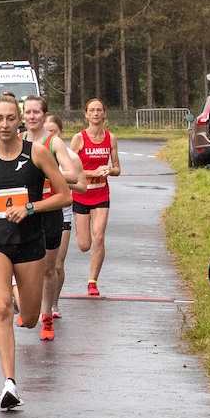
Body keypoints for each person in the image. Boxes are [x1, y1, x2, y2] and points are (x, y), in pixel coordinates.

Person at [0, 94, 71, 410]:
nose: (3, 124)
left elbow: (65, 196)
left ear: (20, 120)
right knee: (1, 309)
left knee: (27, 319)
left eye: (10, 118)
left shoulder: (38, 153)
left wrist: (30, 207)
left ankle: (18, 291)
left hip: (30, 243)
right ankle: (9, 384)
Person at [22, 96, 85, 340]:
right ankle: (26, 305)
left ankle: (46, 316)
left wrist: (47, 170)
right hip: (25, 210)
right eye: (27, 112)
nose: (31, 116)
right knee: (22, 265)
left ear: (44, 115)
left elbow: (70, 175)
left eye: (36, 112)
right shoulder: (18, 141)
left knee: (49, 268)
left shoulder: (53, 142)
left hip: (50, 209)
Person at [69, 98, 119, 297]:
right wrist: (93, 173)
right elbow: (69, 169)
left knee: (98, 238)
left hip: (101, 195)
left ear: (104, 114)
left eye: (99, 110)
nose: (96, 113)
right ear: (86, 114)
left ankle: (92, 282)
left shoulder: (111, 138)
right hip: (81, 193)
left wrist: (109, 170)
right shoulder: (79, 138)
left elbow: (117, 168)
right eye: (92, 110)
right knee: (85, 245)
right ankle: (80, 234)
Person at [43, 115, 78, 320]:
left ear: (61, 134)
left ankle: (53, 304)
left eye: (53, 132)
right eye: (47, 132)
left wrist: (53, 175)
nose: (50, 136)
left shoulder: (70, 157)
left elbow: (79, 183)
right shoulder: (34, 152)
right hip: (38, 210)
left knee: (56, 264)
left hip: (61, 213)